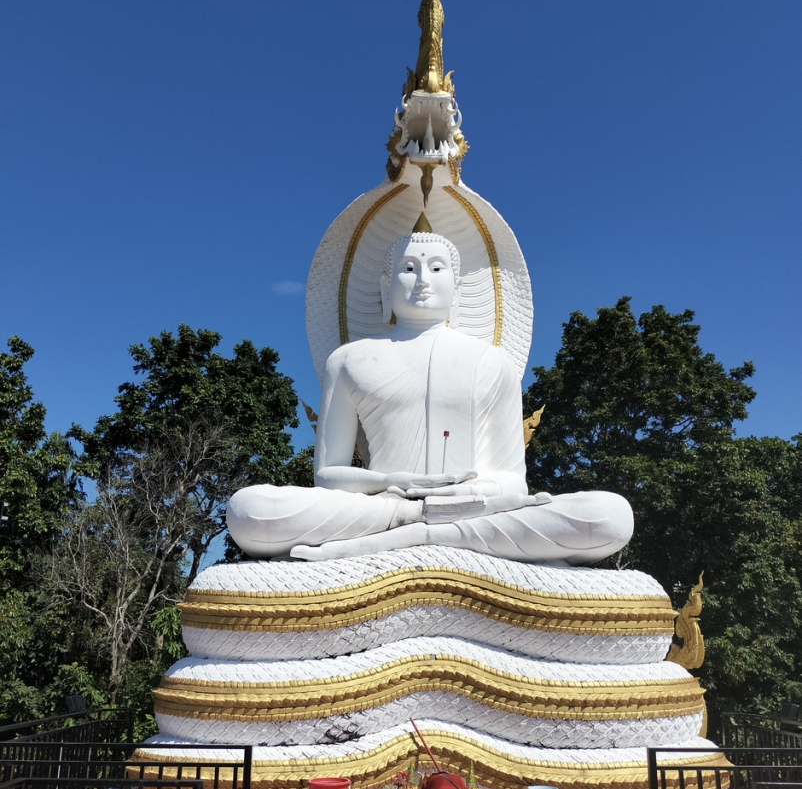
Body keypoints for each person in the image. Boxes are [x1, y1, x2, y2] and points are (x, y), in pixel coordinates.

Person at [226, 231, 633, 563]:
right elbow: (327, 476)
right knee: (250, 510)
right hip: (385, 508)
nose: (422, 279)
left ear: (457, 289)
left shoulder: (495, 363)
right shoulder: (349, 360)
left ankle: (424, 532)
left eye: (436, 268)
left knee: (611, 516)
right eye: (408, 268)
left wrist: (467, 497)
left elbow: (512, 484)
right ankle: (432, 529)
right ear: (386, 287)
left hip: (472, 507)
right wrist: (391, 485)